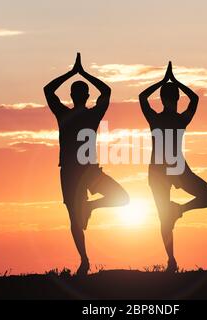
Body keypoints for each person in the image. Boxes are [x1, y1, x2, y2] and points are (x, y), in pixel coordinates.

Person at [44, 53, 129, 275]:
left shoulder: (69, 114)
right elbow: (107, 91)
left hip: (85, 171)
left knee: (116, 201)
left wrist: (74, 72)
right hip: (76, 172)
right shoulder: (84, 115)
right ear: (83, 95)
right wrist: (83, 73)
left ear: (73, 95)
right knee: (75, 217)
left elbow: (48, 90)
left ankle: (90, 212)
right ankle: (84, 261)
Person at [139, 61, 207, 272]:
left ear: (167, 99)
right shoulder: (171, 119)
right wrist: (172, 81)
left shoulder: (163, 119)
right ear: (173, 99)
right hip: (162, 172)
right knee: (164, 216)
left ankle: (179, 210)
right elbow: (194, 98)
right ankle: (171, 261)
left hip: (175, 170)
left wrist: (164, 81)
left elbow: (142, 97)